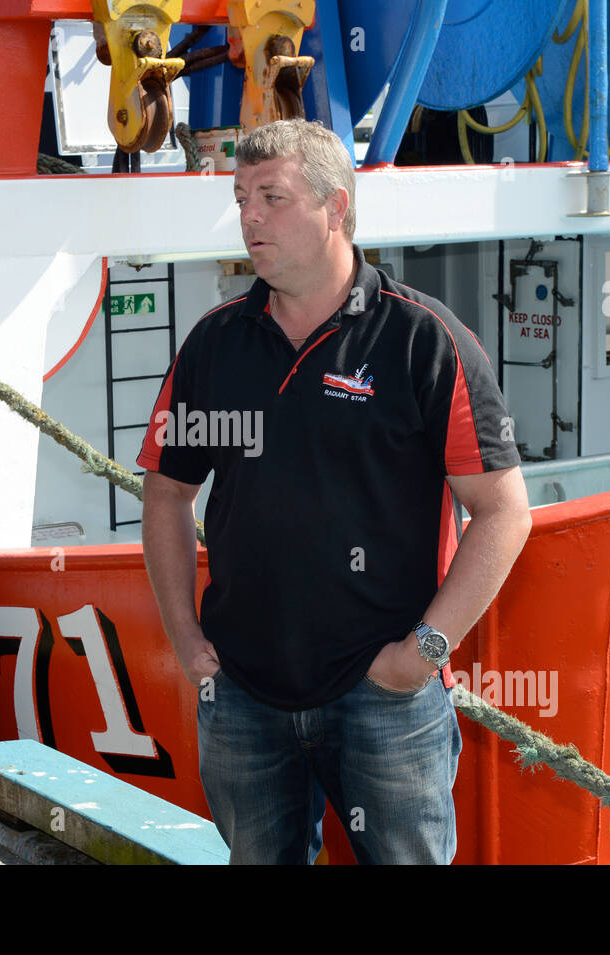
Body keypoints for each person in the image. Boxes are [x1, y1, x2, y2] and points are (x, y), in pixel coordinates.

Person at [138, 119, 532, 865]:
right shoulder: (216, 344)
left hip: (384, 695)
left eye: (273, 197)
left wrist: (422, 653)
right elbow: (166, 494)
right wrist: (186, 638)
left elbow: (505, 510)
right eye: (242, 197)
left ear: (335, 208)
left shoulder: (423, 340)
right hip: (243, 691)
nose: (250, 216)